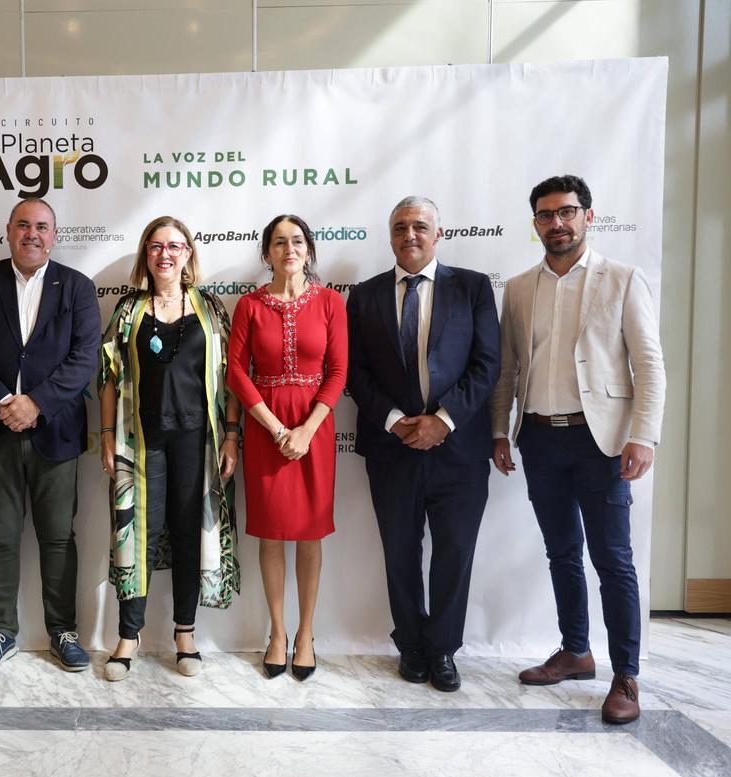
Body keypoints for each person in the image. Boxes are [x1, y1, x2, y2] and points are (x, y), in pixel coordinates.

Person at [491, 175, 665, 724]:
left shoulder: (623, 279)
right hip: (540, 437)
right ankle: (576, 651)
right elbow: (507, 370)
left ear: (588, 216)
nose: (557, 223)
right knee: (562, 552)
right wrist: (501, 429)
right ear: (536, 224)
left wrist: (643, 434)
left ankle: (627, 676)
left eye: (567, 212)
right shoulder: (519, 288)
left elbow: (650, 364)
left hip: (603, 442)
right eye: (546, 215)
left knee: (613, 560)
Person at [347, 196, 499, 693]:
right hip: (392, 449)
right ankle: (411, 645)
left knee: (455, 552)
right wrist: (395, 421)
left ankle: (443, 649)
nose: (409, 235)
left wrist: (444, 420)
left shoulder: (473, 288)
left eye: (419, 226)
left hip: (459, 451)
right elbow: (356, 372)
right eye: (399, 227)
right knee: (400, 552)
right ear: (389, 236)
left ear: (438, 234)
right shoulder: (365, 296)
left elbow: (487, 364)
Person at [0, 198, 101, 675]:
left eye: (42, 227)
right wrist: (3, 403)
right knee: (0, 537)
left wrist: (36, 403)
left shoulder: (76, 286)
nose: (32, 234)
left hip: (56, 431)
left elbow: (84, 357)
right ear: (8, 230)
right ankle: (0, 633)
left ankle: (64, 633)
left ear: (54, 236)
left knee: (59, 537)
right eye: (23, 225)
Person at [98, 216, 242, 681]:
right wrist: (104, 437)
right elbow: (109, 376)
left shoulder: (210, 308)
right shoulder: (128, 310)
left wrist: (233, 435)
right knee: (135, 535)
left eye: (175, 246)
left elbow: (232, 377)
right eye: (157, 246)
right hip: (139, 443)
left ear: (188, 256)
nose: (166, 254)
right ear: (146, 255)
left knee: (187, 532)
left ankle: (185, 634)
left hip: (198, 442)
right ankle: (128, 636)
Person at [226, 214, 347, 681]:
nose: (289, 249)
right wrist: (277, 429)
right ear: (266, 253)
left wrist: (307, 430)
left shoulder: (331, 302)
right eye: (279, 242)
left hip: (314, 428)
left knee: (311, 535)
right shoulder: (250, 306)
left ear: (309, 250)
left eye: (297, 241)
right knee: (272, 533)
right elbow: (237, 373)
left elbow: (338, 372)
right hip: (265, 425)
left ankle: (306, 634)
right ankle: (277, 633)